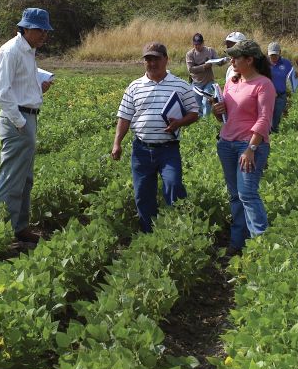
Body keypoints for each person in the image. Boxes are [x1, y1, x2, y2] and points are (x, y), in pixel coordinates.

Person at [111, 42, 199, 232]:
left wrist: (179, 123)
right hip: (141, 149)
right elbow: (124, 117)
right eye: (148, 59)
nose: (152, 63)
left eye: (156, 59)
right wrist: (117, 143)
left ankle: (178, 229)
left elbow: (194, 113)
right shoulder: (134, 87)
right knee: (143, 194)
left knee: (173, 185)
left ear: (166, 59)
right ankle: (148, 233)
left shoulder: (181, 86)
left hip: (168, 149)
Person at [0, 8, 53, 244]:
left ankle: (19, 227)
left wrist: (39, 84)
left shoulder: (28, 51)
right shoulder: (11, 50)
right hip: (17, 119)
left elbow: (20, 82)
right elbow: (0, 91)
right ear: (25, 28)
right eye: (39, 29)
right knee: (11, 177)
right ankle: (2, 231)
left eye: (45, 30)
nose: (43, 34)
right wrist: (20, 122)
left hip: (27, 117)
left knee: (24, 177)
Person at [213, 40, 275, 256]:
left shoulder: (263, 84)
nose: (232, 61)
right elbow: (228, 116)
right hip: (227, 144)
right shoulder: (232, 82)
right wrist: (217, 109)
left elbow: (265, 119)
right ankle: (238, 241)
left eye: (236, 57)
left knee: (247, 194)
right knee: (234, 195)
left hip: (249, 146)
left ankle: (261, 246)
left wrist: (251, 148)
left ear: (249, 59)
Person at [186, 32, 222, 117]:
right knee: (197, 104)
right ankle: (199, 122)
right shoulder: (190, 54)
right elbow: (191, 69)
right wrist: (204, 67)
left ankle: (206, 121)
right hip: (196, 83)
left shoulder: (210, 51)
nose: (197, 46)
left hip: (208, 81)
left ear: (203, 43)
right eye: (195, 45)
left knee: (206, 101)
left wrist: (222, 61)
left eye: (199, 44)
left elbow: (218, 61)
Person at [267, 42, 298, 133]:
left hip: (281, 96)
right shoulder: (264, 63)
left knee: (276, 118)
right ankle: (266, 137)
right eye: (271, 55)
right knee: (266, 118)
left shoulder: (286, 63)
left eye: (275, 55)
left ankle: (274, 137)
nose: (273, 57)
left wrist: (296, 74)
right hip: (267, 96)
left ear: (280, 52)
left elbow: (292, 74)